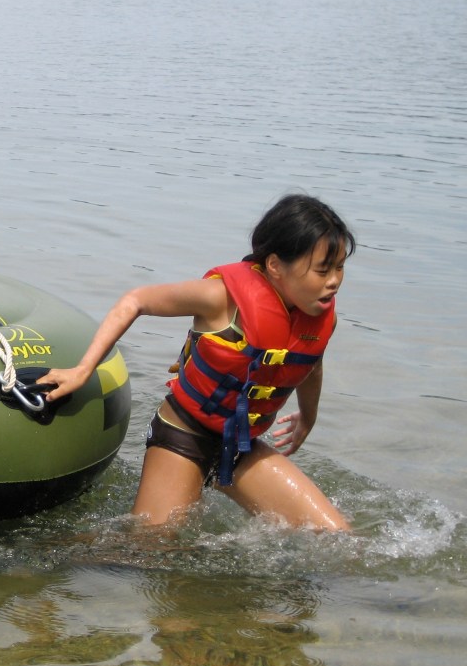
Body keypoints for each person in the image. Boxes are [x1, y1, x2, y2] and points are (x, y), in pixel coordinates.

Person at [38, 194, 356, 531]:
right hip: (184, 434)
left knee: (336, 537)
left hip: (239, 446)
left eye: (339, 267)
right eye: (322, 270)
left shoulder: (320, 319)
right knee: (148, 546)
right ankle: (53, 552)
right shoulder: (220, 298)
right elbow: (136, 301)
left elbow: (310, 364)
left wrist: (308, 416)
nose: (334, 280)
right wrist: (82, 370)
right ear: (276, 266)